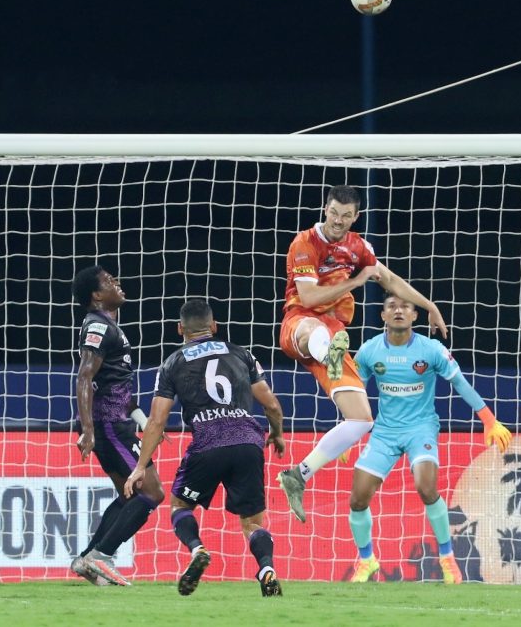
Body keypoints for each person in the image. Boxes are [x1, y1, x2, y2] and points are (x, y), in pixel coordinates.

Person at [277, 184, 450, 523]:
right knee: (314, 331)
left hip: (335, 334)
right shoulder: (304, 243)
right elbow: (310, 299)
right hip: (299, 325)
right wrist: (357, 282)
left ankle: (298, 475)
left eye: (345, 216)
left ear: (355, 217)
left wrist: (427, 305)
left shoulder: (358, 247)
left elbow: (390, 279)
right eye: (333, 213)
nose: (337, 221)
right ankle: (327, 349)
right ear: (324, 209)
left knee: (361, 420)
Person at [125, 299, 286, 597]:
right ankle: (266, 568)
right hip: (248, 443)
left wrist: (139, 467)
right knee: (252, 522)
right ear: (214, 326)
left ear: (180, 329)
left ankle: (198, 549)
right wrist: (276, 434)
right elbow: (273, 406)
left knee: (180, 505)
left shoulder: (173, 363)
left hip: (207, 444)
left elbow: (157, 421)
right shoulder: (242, 354)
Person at [347, 295, 511, 583]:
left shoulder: (431, 349)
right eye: (391, 307)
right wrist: (345, 435)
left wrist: (488, 420)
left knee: (426, 487)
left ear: (415, 316)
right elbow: (354, 396)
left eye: (406, 307)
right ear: (383, 315)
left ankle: (447, 557)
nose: (399, 310)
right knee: (358, 499)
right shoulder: (369, 351)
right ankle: (366, 560)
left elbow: (460, 382)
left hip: (421, 428)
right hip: (385, 432)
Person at [69, 265, 165, 587]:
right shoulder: (97, 325)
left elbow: (119, 390)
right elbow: (85, 376)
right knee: (151, 491)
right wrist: (89, 429)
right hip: (108, 426)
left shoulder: (111, 327)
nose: (118, 283)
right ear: (97, 295)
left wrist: (144, 422)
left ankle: (87, 559)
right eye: (110, 281)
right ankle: (102, 556)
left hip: (118, 423)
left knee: (128, 496)